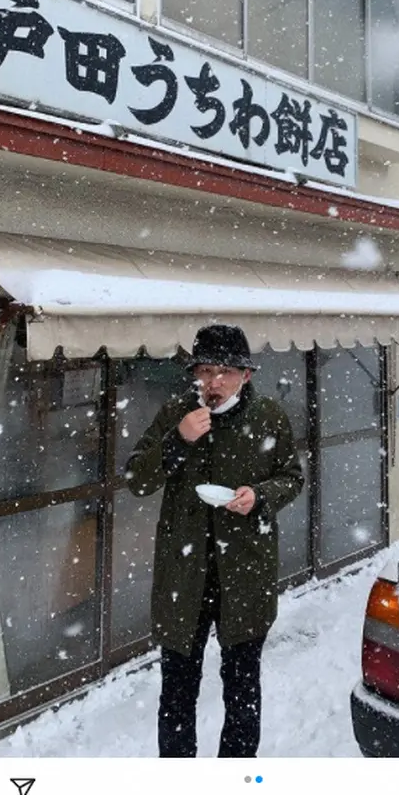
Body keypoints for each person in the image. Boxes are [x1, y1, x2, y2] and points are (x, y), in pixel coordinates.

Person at [125, 323, 304, 758]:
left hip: (244, 573)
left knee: (242, 691)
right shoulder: (177, 414)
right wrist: (179, 439)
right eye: (205, 371)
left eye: (225, 371)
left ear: (247, 375)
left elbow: (292, 477)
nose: (214, 382)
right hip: (184, 576)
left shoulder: (268, 417)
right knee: (177, 693)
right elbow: (136, 480)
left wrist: (260, 496)